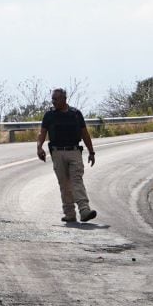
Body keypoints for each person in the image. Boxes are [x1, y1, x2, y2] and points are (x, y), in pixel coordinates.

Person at [36, 87, 96, 224]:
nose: (53, 102)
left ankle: (84, 210)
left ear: (64, 99)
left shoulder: (75, 114)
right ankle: (69, 213)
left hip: (74, 151)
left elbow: (85, 134)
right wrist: (39, 148)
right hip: (57, 153)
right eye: (52, 99)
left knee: (76, 181)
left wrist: (91, 152)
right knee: (64, 184)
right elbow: (42, 133)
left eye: (56, 99)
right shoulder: (49, 115)